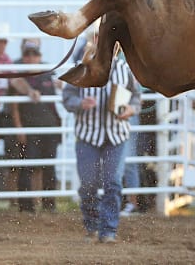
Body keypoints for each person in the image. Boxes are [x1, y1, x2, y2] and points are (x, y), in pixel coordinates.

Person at [62, 37, 142, 243]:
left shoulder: (125, 69)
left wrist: (131, 109)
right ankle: (92, 225)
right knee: (88, 184)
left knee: (113, 182)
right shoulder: (81, 68)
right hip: (88, 135)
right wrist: (80, 103)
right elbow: (68, 98)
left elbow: (136, 97)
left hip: (116, 134)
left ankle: (108, 230)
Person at [0, 24, 41, 202]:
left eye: (5, 42)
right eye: (0, 41)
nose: (3, 45)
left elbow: (15, 80)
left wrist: (29, 91)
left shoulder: (4, 60)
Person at [8, 39, 62, 213]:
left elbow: (59, 90)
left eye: (35, 53)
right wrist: (19, 128)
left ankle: (49, 204)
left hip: (50, 127)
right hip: (30, 129)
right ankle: (26, 206)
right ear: (23, 56)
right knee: (27, 166)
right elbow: (14, 106)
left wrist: (62, 85)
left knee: (49, 167)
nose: (31, 57)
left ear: (39, 56)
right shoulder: (18, 72)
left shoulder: (48, 72)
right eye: (28, 54)